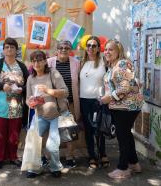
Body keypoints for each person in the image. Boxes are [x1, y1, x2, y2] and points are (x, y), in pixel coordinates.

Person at [101, 39, 143, 179]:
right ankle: (134, 163)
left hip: (127, 107)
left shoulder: (121, 64)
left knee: (122, 136)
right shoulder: (113, 64)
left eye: (110, 49)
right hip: (123, 106)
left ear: (118, 51)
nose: (107, 52)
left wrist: (109, 98)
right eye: (106, 49)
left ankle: (123, 168)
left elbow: (125, 87)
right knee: (126, 134)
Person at [26, 50, 68, 178]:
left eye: (39, 60)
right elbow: (28, 98)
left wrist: (48, 90)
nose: (36, 63)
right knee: (33, 141)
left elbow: (65, 92)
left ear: (45, 61)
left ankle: (55, 167)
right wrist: (31, 102)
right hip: (40, 115)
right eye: (33, 60)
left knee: (52, 145)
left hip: (57, 115)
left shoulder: (53, 73)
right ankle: (35, 168)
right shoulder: (30, 78)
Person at [0, 37, 29, 169]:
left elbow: (28, 84)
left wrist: (21, 89)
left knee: (14, 133)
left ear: (16, 50)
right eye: (7, 47)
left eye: (12, 47)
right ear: (3, 50)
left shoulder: (21, 66)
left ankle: (13, 157)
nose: (9, 49)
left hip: (16, 105)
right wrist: (2, 86)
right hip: (0, 105)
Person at [47, 40, 81, 168]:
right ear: (57, 49)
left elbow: (79, 82)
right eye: (60, 47)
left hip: (70, 103)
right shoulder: (50, 62)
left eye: (66, 48)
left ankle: (70, 156)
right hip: (53, 103)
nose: (63, 50)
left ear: (70, 50)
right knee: (52, 131)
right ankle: (51, 157)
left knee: (69, 130)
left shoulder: (76, 63)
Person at [79, 36, 108, 169]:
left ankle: (102, 154)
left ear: (98, 48)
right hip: (84, 101)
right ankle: (92, 156)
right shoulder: (81, 62)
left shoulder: (104, 62)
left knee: (99, 129)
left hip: (98, 101)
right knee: (88, 130)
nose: (91, 48)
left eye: (94, 45)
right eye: (88, 45)